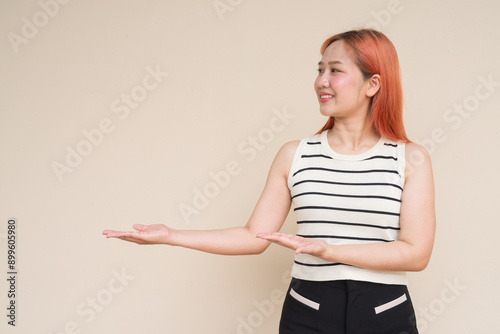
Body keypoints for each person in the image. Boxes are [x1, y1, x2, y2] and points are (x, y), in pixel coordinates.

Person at [103, 28, 435, 334]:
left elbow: (416, 254)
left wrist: (330, 250)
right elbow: (253, 236)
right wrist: (171, 235)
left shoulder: (410, 159)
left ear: (372, 84)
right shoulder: (295, 155)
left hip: (384, 311)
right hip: (309, 309)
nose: (322, 80)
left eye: (335, 70)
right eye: (319, 70)